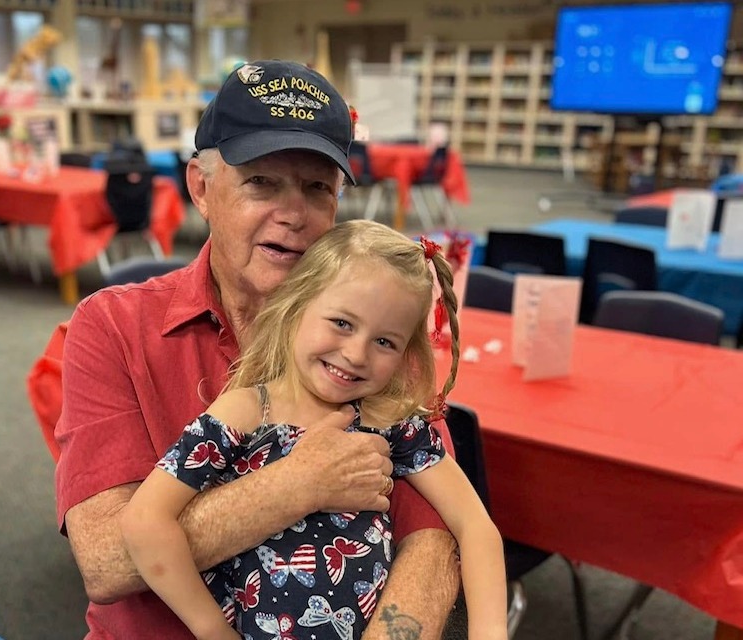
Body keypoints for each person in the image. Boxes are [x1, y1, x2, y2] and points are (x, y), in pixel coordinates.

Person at [54, 60, 462, 640]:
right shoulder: (113, 327)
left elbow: (433, 534)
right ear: (201, 187)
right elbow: (106, 559)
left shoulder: (375, 340)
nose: (293, 215)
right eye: (261, 183)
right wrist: (299, 485)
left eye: (317, 187)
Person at [120, 220, 506, 640]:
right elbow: (145, 519)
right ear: (296, 305)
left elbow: (475, 526)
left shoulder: (391, 424)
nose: (356, 353)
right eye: (342, 323)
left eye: (385, 342)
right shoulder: (245, 412)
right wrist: (210, 628)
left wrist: (490, 632)